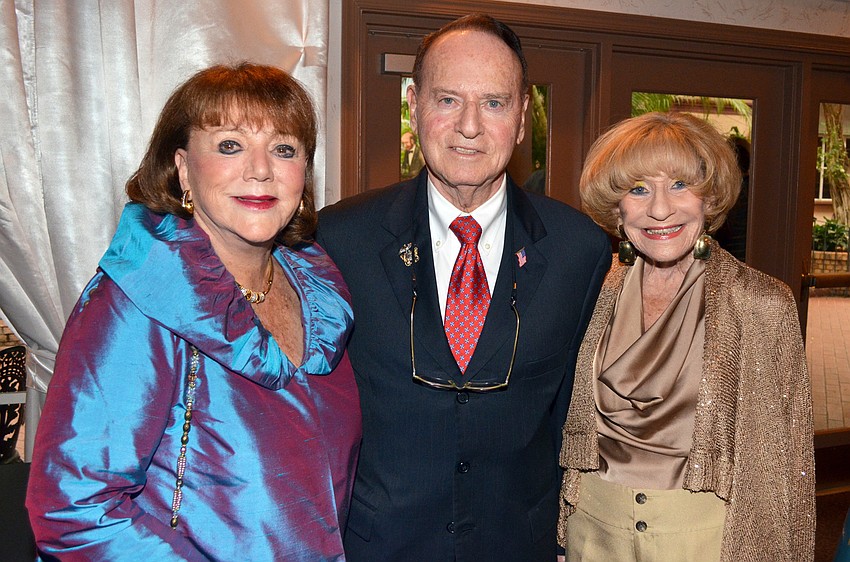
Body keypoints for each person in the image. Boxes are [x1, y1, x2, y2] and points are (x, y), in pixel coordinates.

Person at [26, 63, 361, 561]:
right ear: (183, 168)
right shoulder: (136, 302)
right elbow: (74, 510)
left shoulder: (318, 293)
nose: (261, 170)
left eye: (284, 149)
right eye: (230, 145)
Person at [317, 13, 610, 561]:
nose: (469, 126)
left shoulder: (580, 250)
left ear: (521, 118)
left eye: (494, 103)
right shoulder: (338, 239)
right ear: (414, 106)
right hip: (377, 547)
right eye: (448, 99)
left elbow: (573, 419)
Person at [557, 112, 815, 561]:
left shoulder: (761, 303)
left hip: (705, 542)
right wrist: (561, 538)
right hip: (592, 533)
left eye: (680, 185)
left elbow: (786, 466)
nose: (660, 209)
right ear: (617, 207)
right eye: (639, 189)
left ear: (709, 198)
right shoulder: (590, 289)